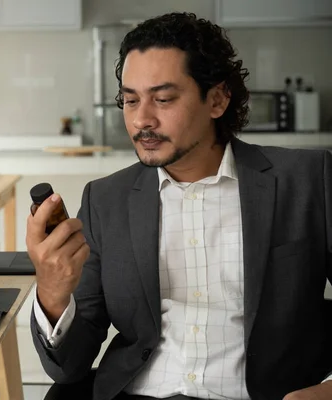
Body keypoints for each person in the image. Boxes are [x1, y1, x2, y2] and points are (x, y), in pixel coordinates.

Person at [26, 12, 332, 400]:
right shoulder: (105, 200)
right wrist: (52, 295)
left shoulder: (306, 179)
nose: (141, 120)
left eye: (164, 99)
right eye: (131, 100)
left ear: (217, 99)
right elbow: (68, 369)